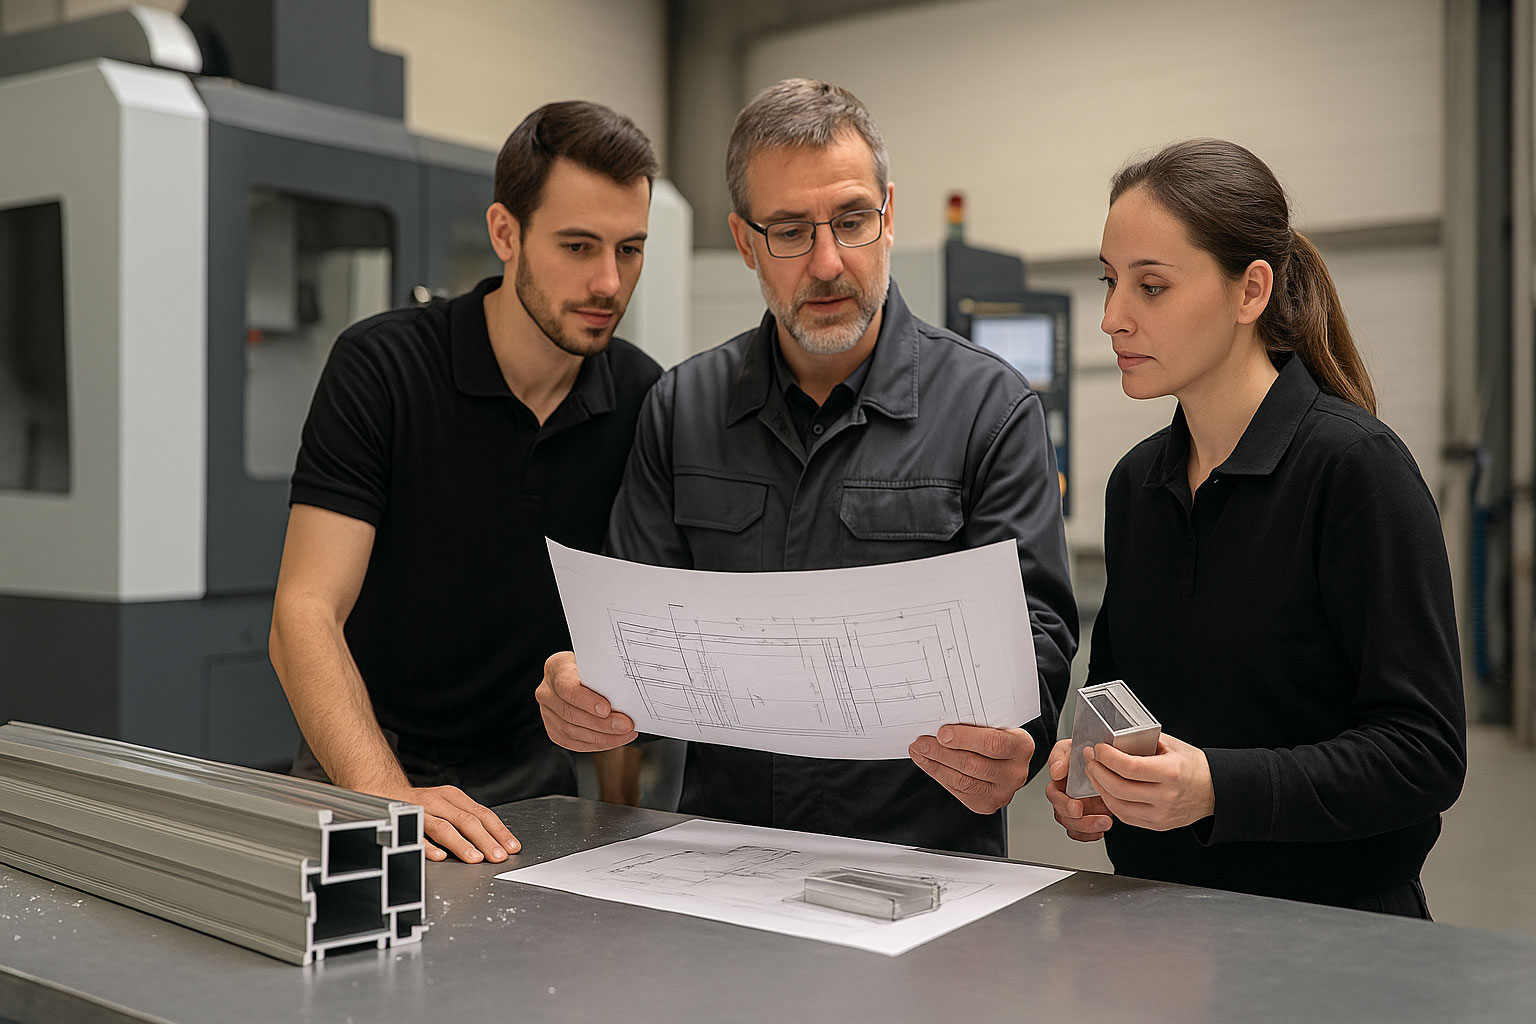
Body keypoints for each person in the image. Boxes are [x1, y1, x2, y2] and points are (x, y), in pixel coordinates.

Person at [537, 79, 1077, 857]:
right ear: (745, 241)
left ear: (889, 218)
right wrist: (585, 694)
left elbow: (1040, 631)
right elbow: (629, 639)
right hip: (722, 864)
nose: (827, 264)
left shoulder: (989, 411)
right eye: (789, 231)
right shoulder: (682, 408)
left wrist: (1019, 739)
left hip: (928, 868)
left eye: (852, 220)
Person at [1045, 139, 1466, 916]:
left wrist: (1215, 790)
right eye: (1110, 282)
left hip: (1327, 935)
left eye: (1152, 286)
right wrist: (1094, 775)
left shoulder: (1356, 473)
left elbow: (1424, 754)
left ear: (1251, 292)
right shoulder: (1138, 486)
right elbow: (1122, 700)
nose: (1111, 318)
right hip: (1153, 922)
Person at [268, 101, 663, 864]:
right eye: (578, 245)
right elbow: (303, 614)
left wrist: (626, 824)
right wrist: (390, 798)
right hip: (363, 757)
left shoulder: (644, 399)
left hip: (532, 770)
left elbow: (619, 637)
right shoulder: (382, 369)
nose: (609, 281)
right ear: (505, 233)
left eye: (630, 249)